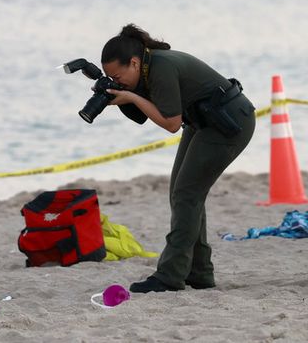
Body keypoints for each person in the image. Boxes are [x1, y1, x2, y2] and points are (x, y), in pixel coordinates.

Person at [97, 24, 255, 293]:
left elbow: (170, 123)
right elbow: (151, 112)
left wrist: (132, 97)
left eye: (117, 75)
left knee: (186, 194)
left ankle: (170, 276)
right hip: (202, 122)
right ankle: (200, 272)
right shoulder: (146, 68)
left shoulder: (161, 67)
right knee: (182, 194)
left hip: (229, 123)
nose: (116, 81)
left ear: (134, 63)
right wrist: (124, 96)